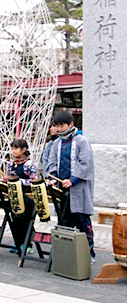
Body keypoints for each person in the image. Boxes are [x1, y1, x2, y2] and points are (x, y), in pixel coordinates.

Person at [45, 111, 96, 264]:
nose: (59, 129)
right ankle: (67, 254)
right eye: (57, 126)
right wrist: (53, 176)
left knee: (82, 221)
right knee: (64, 222)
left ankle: (89, 253)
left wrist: (72, 180)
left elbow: (85, 163)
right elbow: (51, 162)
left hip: (78, 187)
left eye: (62, 125)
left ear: (71, 125)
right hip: (62, 189)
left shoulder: (81, 141)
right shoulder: (57, 143)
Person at [4, 139, 39, 255]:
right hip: (14, 195)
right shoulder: (11, 164)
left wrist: (20, 182)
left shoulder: (29, 164)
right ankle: (18, 242)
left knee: (25, 221)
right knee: (15, 219)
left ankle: (28, 244)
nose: (13, 151)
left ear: (24, 150)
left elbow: (35, 180)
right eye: (12, 148)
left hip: (27, 197)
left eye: (16, 148)